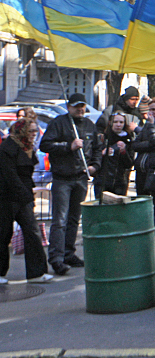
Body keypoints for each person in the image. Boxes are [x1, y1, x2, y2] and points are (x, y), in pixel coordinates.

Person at [39, 93, 103, 275]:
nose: (80, 109)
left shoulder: (90, 125)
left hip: (81, 178)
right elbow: (45, 145)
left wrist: (94, 166)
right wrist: (69, 146)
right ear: (69, 107)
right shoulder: (59, 123)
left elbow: (97, 149)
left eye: (82, 106)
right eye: (76, 106)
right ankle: (56, 258)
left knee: (74, 218)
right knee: (59, 220)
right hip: (63, 178)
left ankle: (69, 253)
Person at [0, 119, 53, 284]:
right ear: (22, 132)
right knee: (3, 234)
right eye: (30, 131)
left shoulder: (26, 148)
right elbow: (10, 177)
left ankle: (37, 272)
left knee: (32, 231)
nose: (33, 135)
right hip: (6, 197)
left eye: (34, 131)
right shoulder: (7, 149)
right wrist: (26, 196)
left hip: (21, 196)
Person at [131, 98, 155, 259]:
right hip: (142, 169)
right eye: (149, 110)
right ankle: (144, 245)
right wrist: (150, 143)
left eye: (154, 109)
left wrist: (151, 128)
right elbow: (135, 144)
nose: (151, 113)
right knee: (143, 208)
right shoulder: (148, 124)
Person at [93, 113, 135, 198]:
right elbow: (93, 158)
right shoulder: (103, 138)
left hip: (120, 182)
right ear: (110, 123)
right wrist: (103, 153)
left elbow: (129, 164)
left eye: (121, 122)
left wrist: (123, 152)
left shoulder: (128, 139)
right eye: (115, 122)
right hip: (102, 180)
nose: (118, 125)